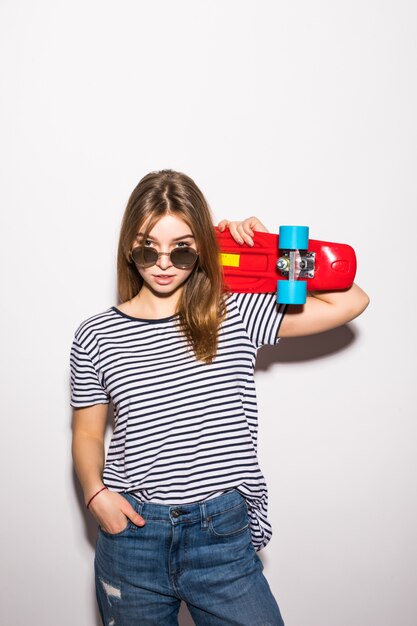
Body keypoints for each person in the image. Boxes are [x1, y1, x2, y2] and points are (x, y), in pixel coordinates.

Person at [70, 169, 369, 626]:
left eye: (183, 248)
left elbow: (350, 301)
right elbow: (88, 431)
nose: (164, 262)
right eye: (149, 247)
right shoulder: (95, 334)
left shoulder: (234, 313)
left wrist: (272, 253)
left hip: (221, 534)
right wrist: (95, 495)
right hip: (133, 537)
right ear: (130, 246)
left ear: (202, 249)